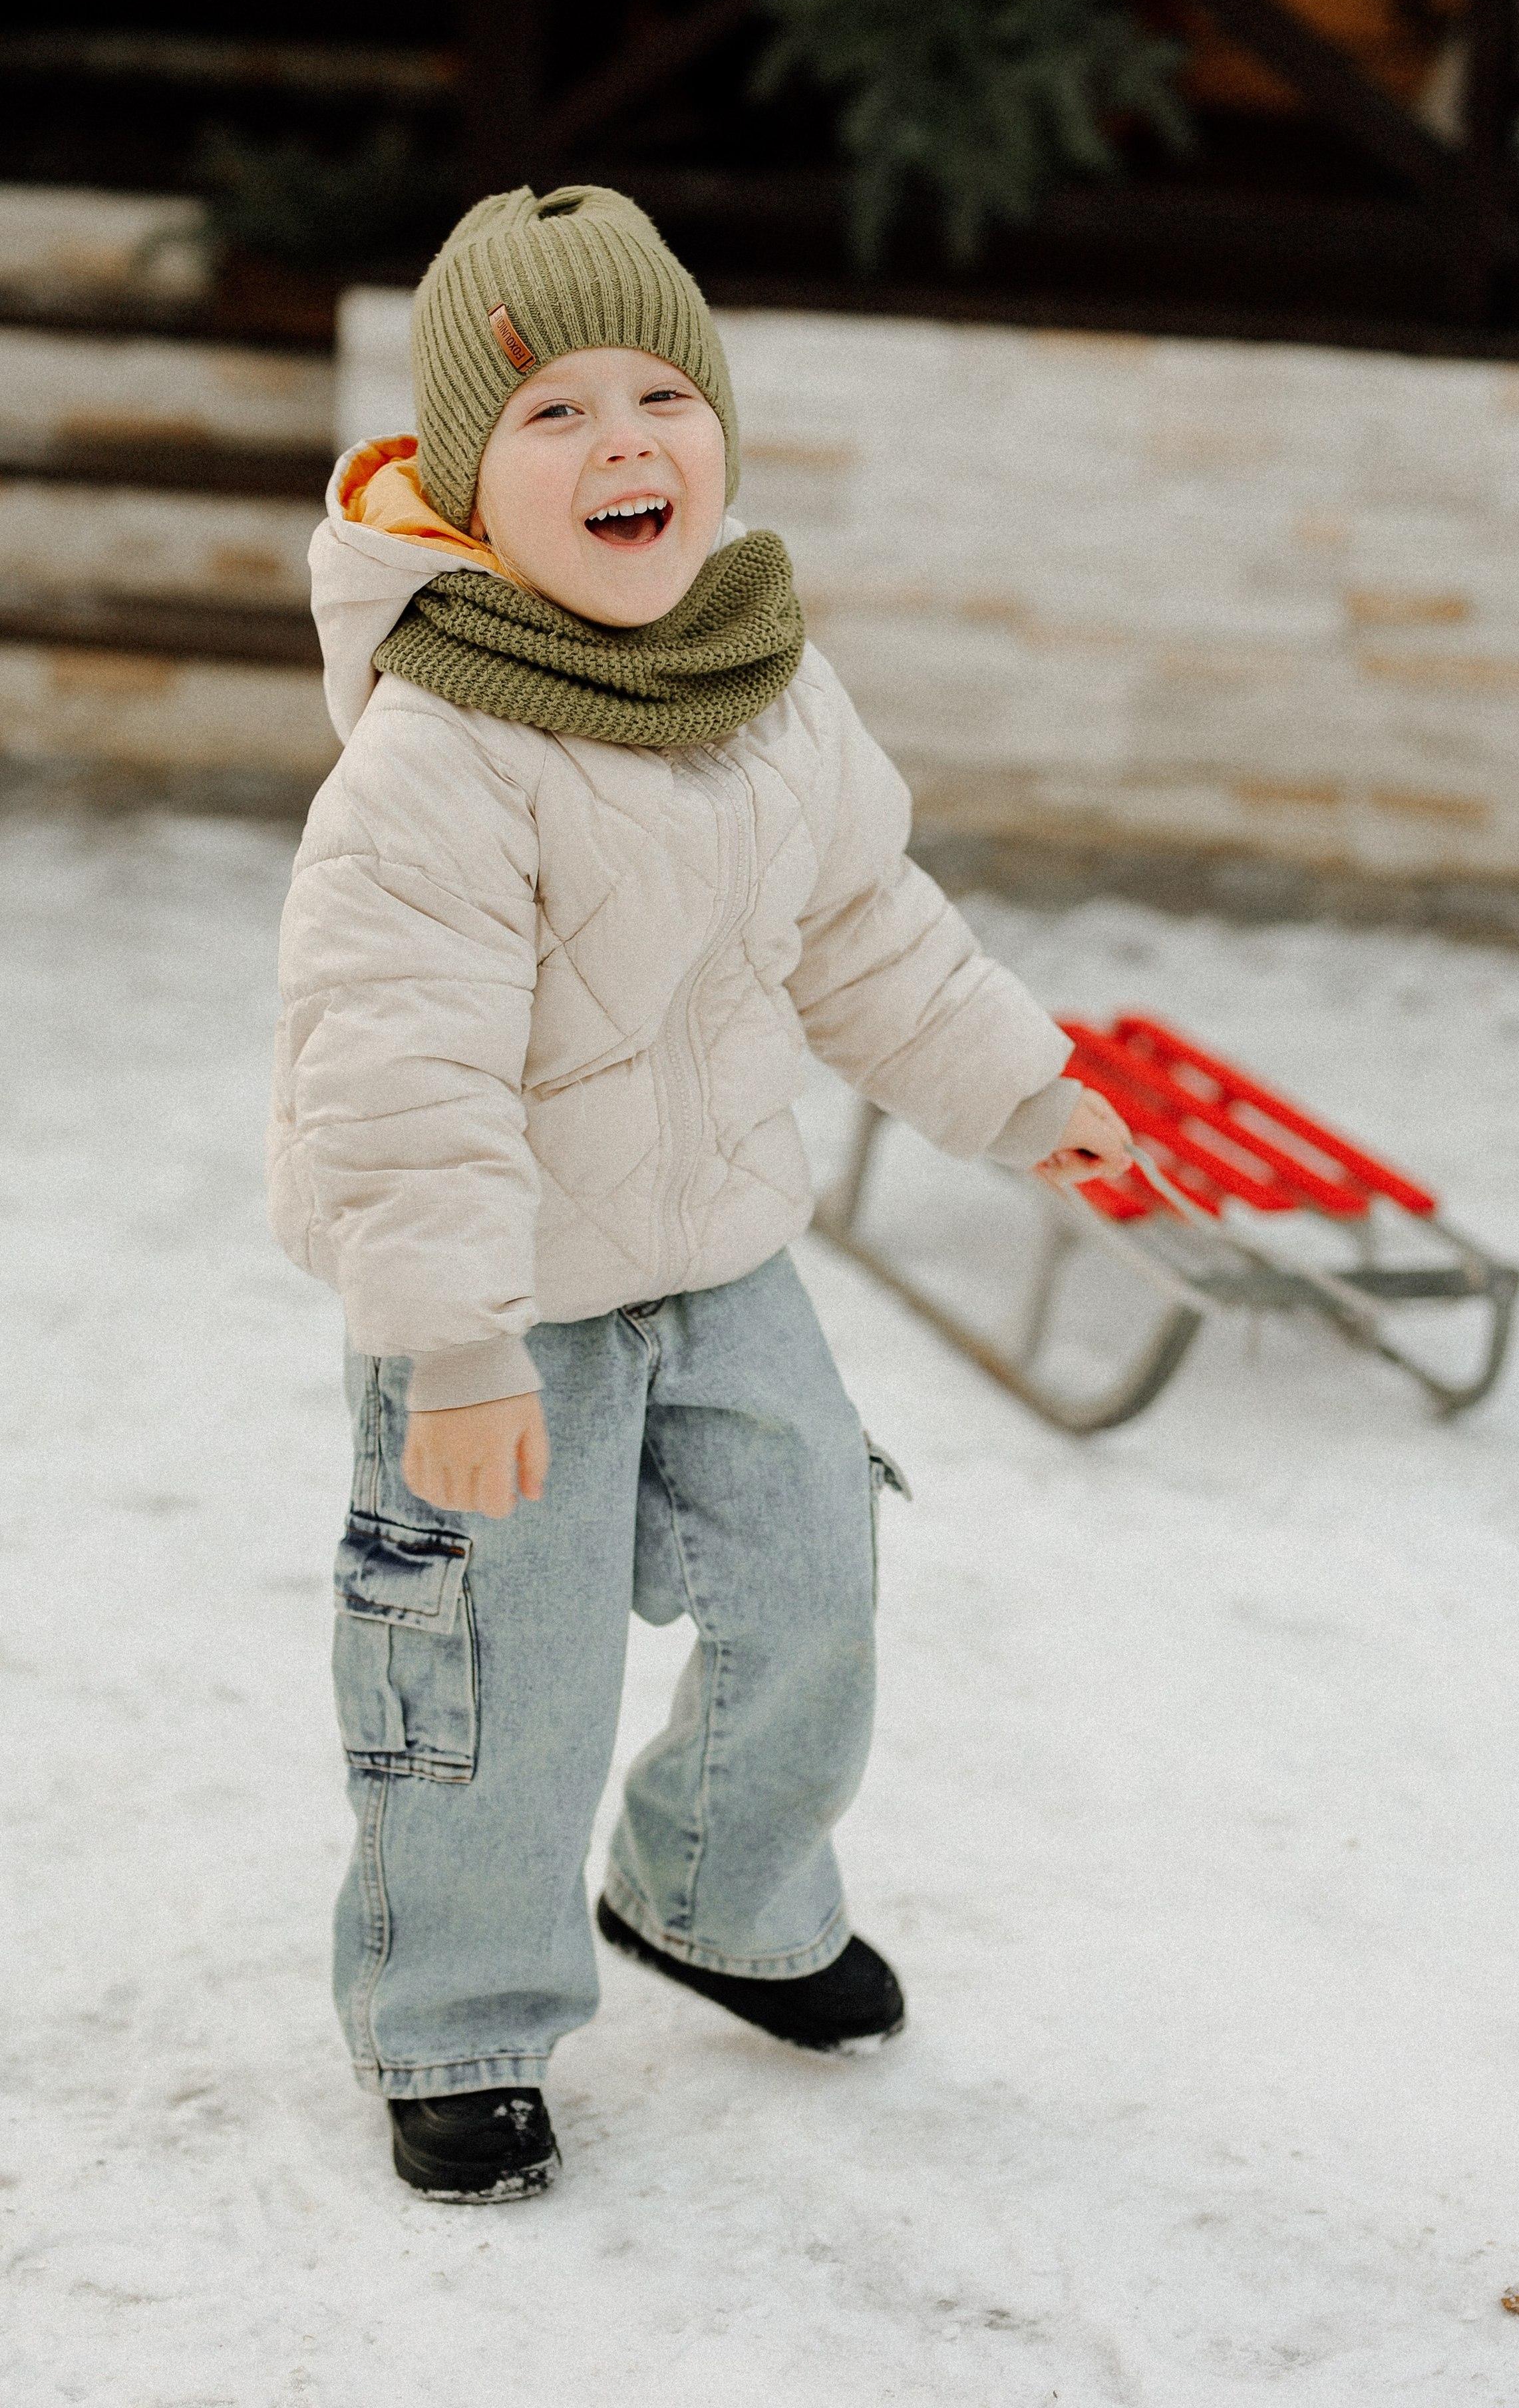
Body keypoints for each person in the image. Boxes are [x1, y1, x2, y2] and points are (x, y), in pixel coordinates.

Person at [270, 184, 1133, 2202]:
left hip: (729, 1256)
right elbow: (396, 1075)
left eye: (665, 389)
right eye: (556, 413)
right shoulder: (439, 751)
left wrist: (1025, 1088)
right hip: (507, 1308)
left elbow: (867, 932)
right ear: (474, 488)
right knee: (499, 1665)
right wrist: (460, 1345)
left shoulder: (763, 670)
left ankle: (717, 1894)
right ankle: (464, 2018)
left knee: (814, 1567)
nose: (628, 440)